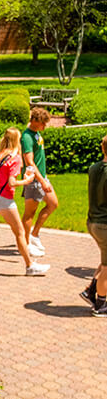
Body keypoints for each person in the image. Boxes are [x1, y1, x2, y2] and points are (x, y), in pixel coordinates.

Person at [0, 127, 50, 276]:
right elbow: (12, 182)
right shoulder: (15, 158)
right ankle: (30, 266)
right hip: (5, 199)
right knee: (20, 232)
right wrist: (26, 181)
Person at [21, 107, 58, 257]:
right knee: (29, 213)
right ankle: (26, 243)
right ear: (35, 121)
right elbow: (29, 162)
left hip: (41, 177)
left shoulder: (35, 133)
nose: (45, 126)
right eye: (43, 123)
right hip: (34, 180)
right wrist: (42, 181)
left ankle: (34, 235)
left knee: (53, 204)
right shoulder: (27, 137)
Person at [81, 135, 107, 315]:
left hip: (93, 222)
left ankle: (90, 291)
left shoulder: (94, 168)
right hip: (105, 224)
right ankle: (101, 304)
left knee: (105, 261)